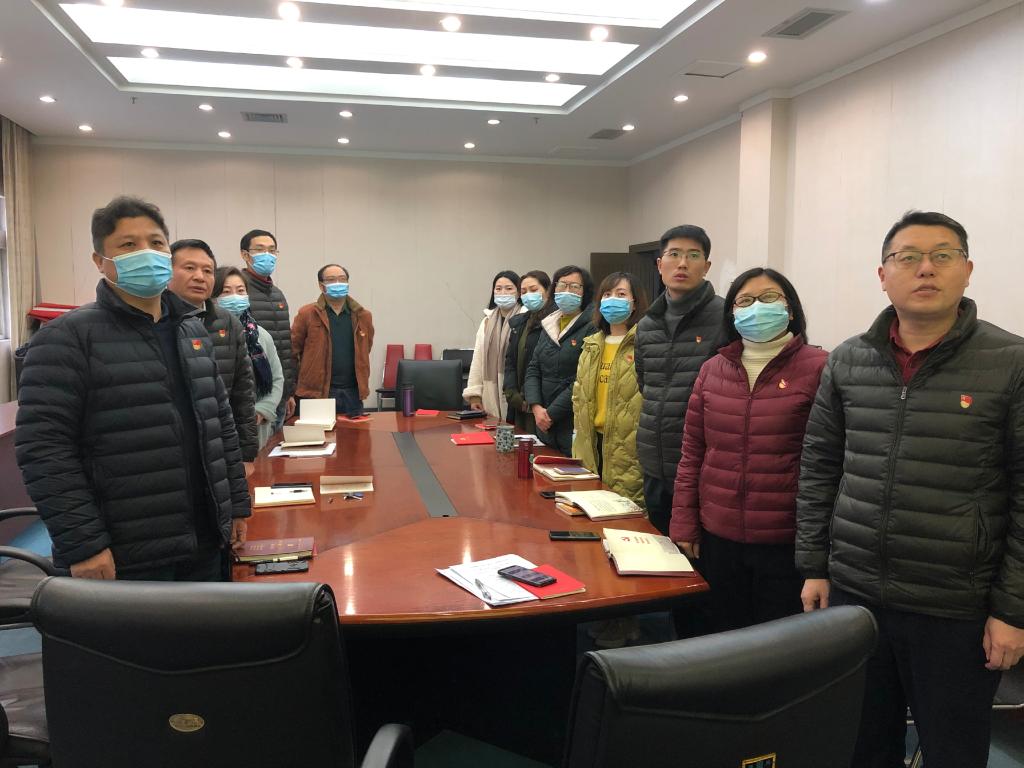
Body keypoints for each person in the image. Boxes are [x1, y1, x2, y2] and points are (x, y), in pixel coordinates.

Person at [797, 210, 1024, 768]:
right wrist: (815, 566)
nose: (925, 269)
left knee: (953, 751)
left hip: (956, 608)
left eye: (942, 256)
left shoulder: (1011, 363)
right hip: (855, 596)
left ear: (967, 270)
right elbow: (820, 468)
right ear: (883, 275)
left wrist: (1013, 610)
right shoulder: (849, 359)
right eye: (908, 257)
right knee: (861, 745)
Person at [15, 195, 250, 581]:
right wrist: (84, 543)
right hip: (127, 553)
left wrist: (236, 505)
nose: (146, 253)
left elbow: (219, 424)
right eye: (128, 244)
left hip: (205, 540)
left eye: (156, 243)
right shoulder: (66, 338)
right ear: (100, 261)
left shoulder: (191, 330)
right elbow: (44, 449)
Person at [670, 268, 827, 633]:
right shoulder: (712, 370)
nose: (757, 307)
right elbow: (692, 452)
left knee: (778, 642)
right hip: (718, 535)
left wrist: (819, 552)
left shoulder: (820, 367)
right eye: (745, 301)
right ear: (732, 313)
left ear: (790, 309)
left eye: (769, 298)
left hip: (785, 540)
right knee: (723, 635)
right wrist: (684, 521)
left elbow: (828, 464)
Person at [634, 225, 725, 535]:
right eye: (674, 254)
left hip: (703, 468)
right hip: (654, 463)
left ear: (706, 266)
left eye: (693, 255)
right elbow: (645, 383)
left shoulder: (725, 317)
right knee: (659, 551)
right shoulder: (647, 324)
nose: (682, 263)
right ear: (660, 264)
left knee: (697, 554)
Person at [169, 238, 258, 474]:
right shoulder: (155, 321)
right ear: (167, 272)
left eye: (207, 270)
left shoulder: (228, 322)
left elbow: (243, 393)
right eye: (190, 268)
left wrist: (247, 453)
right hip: (170, 450)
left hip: (219, 444)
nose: (200, 276)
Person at [572, 271, 649, 506]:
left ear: (635, 303)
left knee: (624, 515)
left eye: (621, 294)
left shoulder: (644, 344)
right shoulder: (591, 345)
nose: (612, 299)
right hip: (590, 444)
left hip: (626, 448)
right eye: (607, 294)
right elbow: (578, 395)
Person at [524, 265, 595, 455]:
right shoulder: (549, 323)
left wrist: (551, 414)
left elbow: (582, 379)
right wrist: (536, 407)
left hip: (571, 421)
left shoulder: (592, 326)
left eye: (574, 286)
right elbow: (533, 368)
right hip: (542, 421)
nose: (567, 291)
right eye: (562, 285)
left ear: (585, 292)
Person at [291, 264, 375, 419]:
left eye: (342, 279)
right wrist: (291, 389)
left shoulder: (363, 316)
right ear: (321, 286)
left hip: (353, 394)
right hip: (316, 394)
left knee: (354, 435)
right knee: (318, 435)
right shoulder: (307, 314)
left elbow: (365, 348)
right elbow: (293, 352)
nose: (338, 283)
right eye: (331, 280)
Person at [215, 267, 284, 449]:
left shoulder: (261, 335)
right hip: (217, 429)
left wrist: (261, 411)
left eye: (240, 291)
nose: (235, 297)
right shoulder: (202, 333)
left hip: (255, 427)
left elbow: (277, 379)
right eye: (226, 291)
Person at [240, 229, 295, 428]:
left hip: (278, 394)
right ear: (245, 255)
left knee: (275, 447)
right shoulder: (238, 293)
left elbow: (285, 347)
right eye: (260, 249)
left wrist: (287, 392)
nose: (267, 255)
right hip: (253, 396)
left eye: (272, 250)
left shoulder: (277, 294)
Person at [464, 271, 525, 420]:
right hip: (490, 392)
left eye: (509, 288)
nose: (503, 292)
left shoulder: (525, 318)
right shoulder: (487, 321)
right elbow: (478, 358)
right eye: (498, 289)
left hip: (518, 391)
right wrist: (474, 395)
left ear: (519, 292)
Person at [504, 270, 551, 433]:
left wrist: (530, 397)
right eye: (523, 292)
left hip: (542, 404)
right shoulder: (520, 323)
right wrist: (511, 393)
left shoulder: (554, 322)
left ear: (548, 291)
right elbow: (510, 361)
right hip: (518, 402)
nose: (528, 295)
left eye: (533, 290)